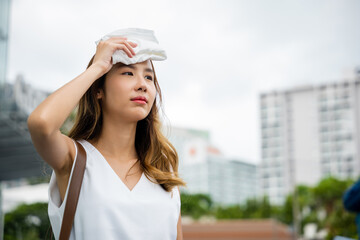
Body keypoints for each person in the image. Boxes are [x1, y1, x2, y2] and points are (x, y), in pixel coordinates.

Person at [27, 28, 187, 240]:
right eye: (128, 73)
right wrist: (98, 67)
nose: (142, 85)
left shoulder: (162, 169)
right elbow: (41, 123)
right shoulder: (75, 159)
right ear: (98, 90)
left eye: (149, 77)